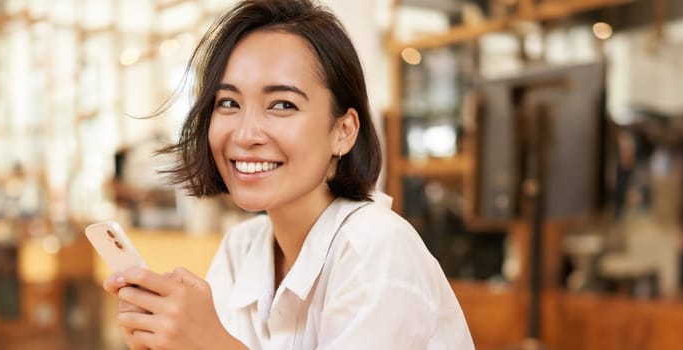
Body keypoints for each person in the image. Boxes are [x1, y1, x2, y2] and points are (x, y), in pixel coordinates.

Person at [102, 0, 474, 349]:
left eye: (282, 104)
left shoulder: (375, 248)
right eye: (229, 103)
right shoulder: (242, 249)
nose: (246, 135)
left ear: (343, 131)